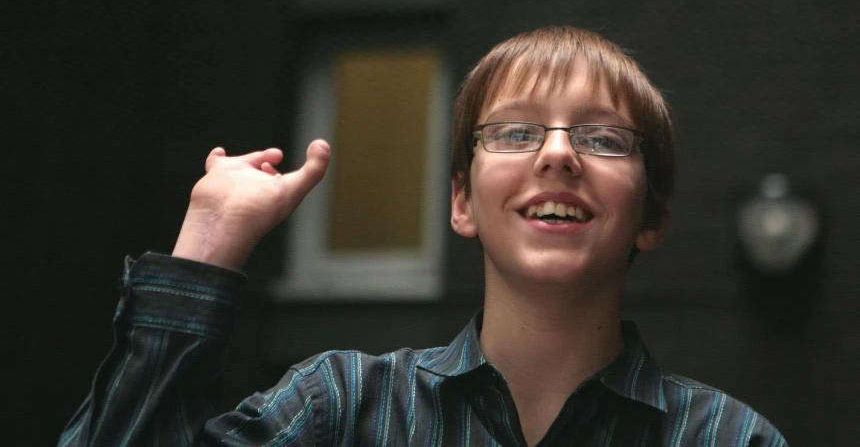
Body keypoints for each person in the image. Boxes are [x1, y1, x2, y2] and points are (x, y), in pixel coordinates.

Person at [59, 26, 787, 446]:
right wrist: (208, 247)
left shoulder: (727, 438)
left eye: (602, 137)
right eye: (516, 131)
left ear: (653, 217)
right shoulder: (337, 408)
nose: (558, 153)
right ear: (462, 202)